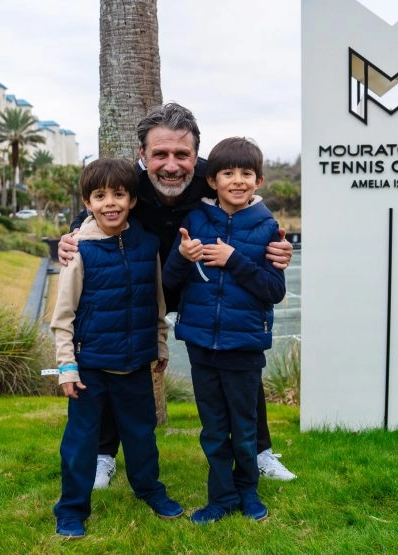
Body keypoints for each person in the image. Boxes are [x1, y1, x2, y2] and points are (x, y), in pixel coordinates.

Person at [58, 103, 297, 489]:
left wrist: (276, 246)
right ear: (142, 155)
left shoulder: (213, 176)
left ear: (196, 155)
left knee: (241, 361)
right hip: (139, 286)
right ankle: (104, 454)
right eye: (160, 154)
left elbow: (251, 204)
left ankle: (261, 452)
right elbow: (98, 207)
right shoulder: (129, 181)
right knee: (110, 358)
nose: (171, 165)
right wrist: (70, 238)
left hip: (200, 286)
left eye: (182, 154)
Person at [50, 158, 183, 539]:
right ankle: (72, 509)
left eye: (119, 194)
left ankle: (150, 490)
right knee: (80, 441)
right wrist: (66, 367)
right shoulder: (80, 250)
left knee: (142, 434)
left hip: (136, 363)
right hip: (89, 365)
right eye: (100, 195)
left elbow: (156, 303)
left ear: (132, 200)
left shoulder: (148, 244)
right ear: (87, 203)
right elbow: (63, 316)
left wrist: (159, 346)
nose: (111, 203)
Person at [163, 136, 286, 523]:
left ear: (259, 181)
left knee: (244, 429)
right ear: (212, 180)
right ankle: (221, 498)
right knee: (214, 430)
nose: (237, 180)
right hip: (201, 343)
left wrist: (234, 260)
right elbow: (169, 280)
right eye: (227, 173)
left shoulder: (268, 227)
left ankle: (248, 492)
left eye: (246, 173)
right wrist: (183, 257)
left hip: (245, 345)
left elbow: (273, 291)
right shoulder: (196, 220)